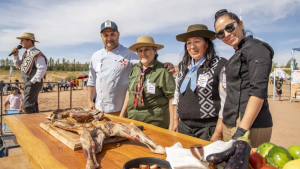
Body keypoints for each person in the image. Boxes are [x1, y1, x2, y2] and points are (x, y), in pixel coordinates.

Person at [87, 20, 174, 115]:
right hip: (98, 108)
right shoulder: (95, 56)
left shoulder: (129, 54)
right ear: (101, 36)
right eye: (105, 35)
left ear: (118, 34)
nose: (109, 38)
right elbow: (92, 81)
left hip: (120, 110)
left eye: (112, 34)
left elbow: (147, 61)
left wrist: (165, 65)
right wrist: (90, 100)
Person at [214, 9, 273, 147]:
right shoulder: (238, 53)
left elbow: (258, 91)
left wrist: (241, 130)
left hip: (249, 126)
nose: (226, 34)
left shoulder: (257, 48)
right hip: (230, 124)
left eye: (229, 27)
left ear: (240, 23)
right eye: (221, 34)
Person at [171, 24, 227, 141]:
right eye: (188, 43)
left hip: (208, 128)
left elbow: (225, 101)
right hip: (184, 127)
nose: (192, 46)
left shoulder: (220, 65)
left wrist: (218, 132)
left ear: (207, 43)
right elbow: (177, 95)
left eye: (197, 41)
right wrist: (175, 121)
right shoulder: (183, 65)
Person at [119, 36, 175, 129]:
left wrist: (172, 124)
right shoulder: (135, 69)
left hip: (155, 124)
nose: (143, 53)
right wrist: (121, 116)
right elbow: (129, 93)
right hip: (132, 121)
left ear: (155, 51)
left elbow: (172, 98)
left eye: (147, 49)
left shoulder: (162, 71)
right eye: (140, 51)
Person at [11, 32, 47, 113]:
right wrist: (15, 56)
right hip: (29, 81)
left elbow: (42, 68)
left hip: (33, 81)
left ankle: (30, 123)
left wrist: (32, 81)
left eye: (22, 40)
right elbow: (18, 66)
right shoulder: (25, 54)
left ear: (29, 41)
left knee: (27, 105)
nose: (20, 43)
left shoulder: (37, 53)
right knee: (32, 104)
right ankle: (35, 122)